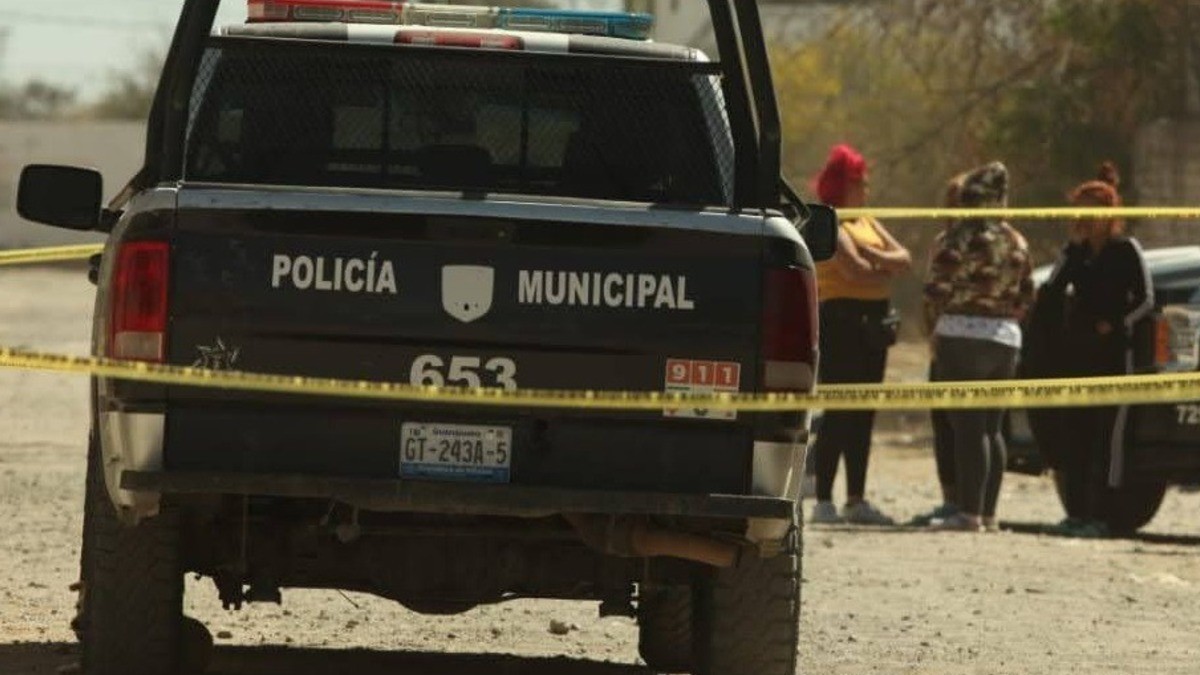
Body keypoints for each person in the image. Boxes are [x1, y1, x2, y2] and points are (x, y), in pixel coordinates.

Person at [1032, 163, 1152, 538]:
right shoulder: (1078, 254)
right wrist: (1070, 248)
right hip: (1079, 357)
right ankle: (1079, 512)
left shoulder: (1126, 250)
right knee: (1077, 434)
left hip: (1115, 356)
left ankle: (1105, 514)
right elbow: (1051, 289)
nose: (1085, 217)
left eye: (1091, 208)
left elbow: (1146, 300)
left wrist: (1115, 324)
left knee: (1108, 439)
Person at [923, 161, 1034, 532]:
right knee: (992, 428)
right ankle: (988, 513)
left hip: (962, 337)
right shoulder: (1017, 239)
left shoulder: (961, 236)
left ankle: (968, 513)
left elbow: (936, 287)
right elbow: (1028, 293)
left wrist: (939, 321)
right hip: (1004, 340)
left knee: (968, 428)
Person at [809, 143, 912, 525]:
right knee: (839, 410)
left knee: (864, 411)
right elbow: (852, 270)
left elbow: (904, 258)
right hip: (841, 321)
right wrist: (882, 268)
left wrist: (879, 262)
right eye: (859, 181)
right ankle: (823, 499)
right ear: (842, 183)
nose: (865, 188)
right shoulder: (832, 220)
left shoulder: (866, 220)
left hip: (876, 324)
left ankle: (856, 498)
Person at [908, 172, 967, 527]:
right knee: (943, 422)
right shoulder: (942, 242)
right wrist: (931, 334)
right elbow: (930, 294)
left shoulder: (987, 242)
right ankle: (950, 499)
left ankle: (971, 502)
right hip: (942, 341)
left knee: (970, 426)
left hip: (971, 342)